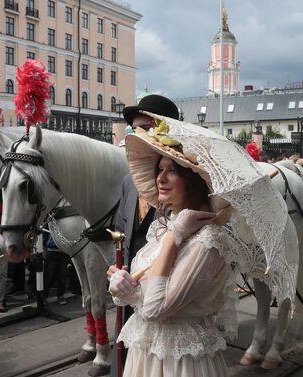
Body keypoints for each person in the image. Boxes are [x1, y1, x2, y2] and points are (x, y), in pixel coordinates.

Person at [107, 127, 233, 377]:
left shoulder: (208, 241)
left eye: (172, 170)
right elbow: (140, 291)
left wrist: (173, 239)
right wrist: (121, 284)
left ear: (193, 180)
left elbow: (154, 309)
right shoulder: (161, 227)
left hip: (181, 363)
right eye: (160, 169)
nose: (161, 178)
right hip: (146, 354)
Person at [108, 94, 180, 376]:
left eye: (148, 128)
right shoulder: (128, 181)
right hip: (130, 296)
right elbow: (120, 235)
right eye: (135, 130)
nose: (139, 136)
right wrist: (115, 269)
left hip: (165, 301)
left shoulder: (184, 184)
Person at [43, 233, 69, 305]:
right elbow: (44, 233)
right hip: (51, 251)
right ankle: (44, 295)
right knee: (49, 275)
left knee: (62, 275)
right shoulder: (50, 221)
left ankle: (60, 295)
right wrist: (43, 248)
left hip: (64, 251)